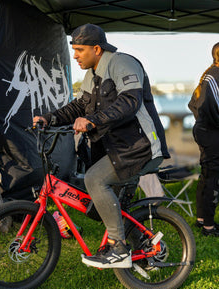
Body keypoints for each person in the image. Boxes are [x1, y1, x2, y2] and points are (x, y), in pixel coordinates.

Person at [33, 24, 170, 268]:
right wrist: (49, 118)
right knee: (98, 205)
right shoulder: (91, 74)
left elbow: (130, 101)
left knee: (95, 180)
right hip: (117, 149)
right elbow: (79, 106)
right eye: (73, 50)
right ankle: (143, 251)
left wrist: (92, 120)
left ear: (96, 49)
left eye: (79, 50)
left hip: (139, 146)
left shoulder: (122, 63)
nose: (75, 55)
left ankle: (118, 248)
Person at [188, 42, 219, 237]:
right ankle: (209, 226)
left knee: (207, 174)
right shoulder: (214, 75)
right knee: (213, 177)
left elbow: (193, 104)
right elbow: (210, 105)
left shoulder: (211, 73)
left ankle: (202, 220)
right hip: (210, 132)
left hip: (207, 130)